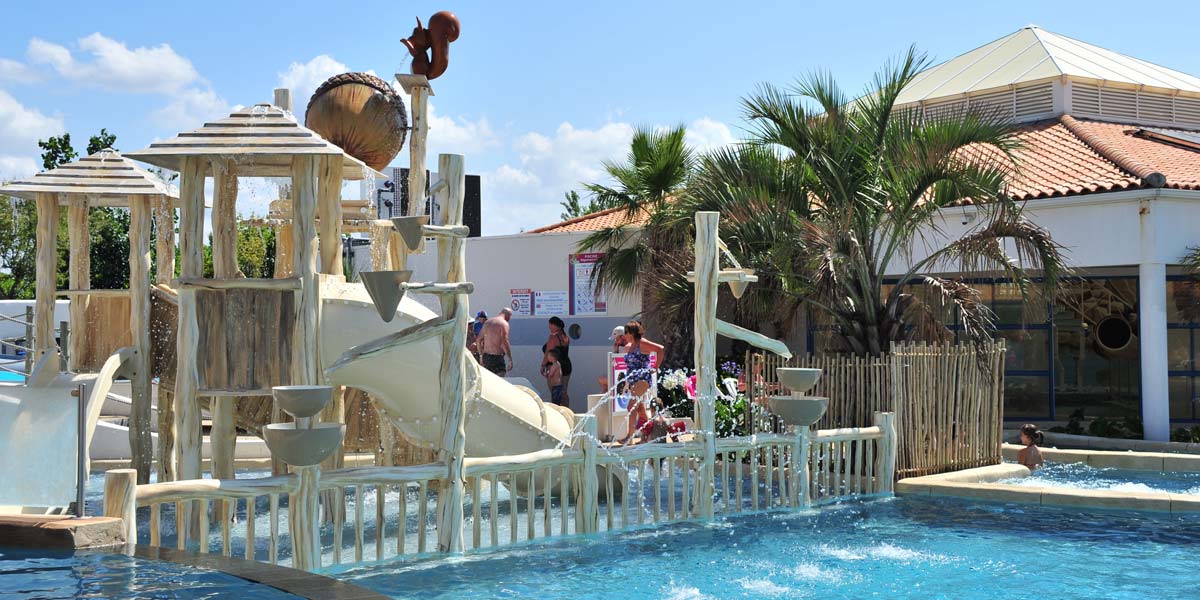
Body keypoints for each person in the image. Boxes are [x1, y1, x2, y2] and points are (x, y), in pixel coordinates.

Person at [618, 321, 659, 445]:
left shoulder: (642, 343)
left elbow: (660, 349)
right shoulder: (631, 345)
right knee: (640, 408)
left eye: (626, 332)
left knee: (631, 407)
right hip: (633, 381)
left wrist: (655, 367)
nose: (624, 335)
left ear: (632, 333)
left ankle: (629, 437)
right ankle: (650, 433)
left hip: (642, 380)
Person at [543, 316, 572, 408]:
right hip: (566, 366)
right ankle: (567, 410)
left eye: (551, 325)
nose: (549, 328)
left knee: (554, 391)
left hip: (555, 366)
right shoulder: (565, 337)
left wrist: (543, 365)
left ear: (556, 326)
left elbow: (548, 352)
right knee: (563, 392)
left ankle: (557, 411)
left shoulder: (553, 337)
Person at [477, 308, 513, 376]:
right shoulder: (504, 324)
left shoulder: (488, 322)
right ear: (508, 315)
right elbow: (505, 342)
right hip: (497, 358)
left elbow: (478, 339)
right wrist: (510, 359)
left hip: (486, 357)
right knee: (499, 381)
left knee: (487, 381)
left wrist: (481, 356)